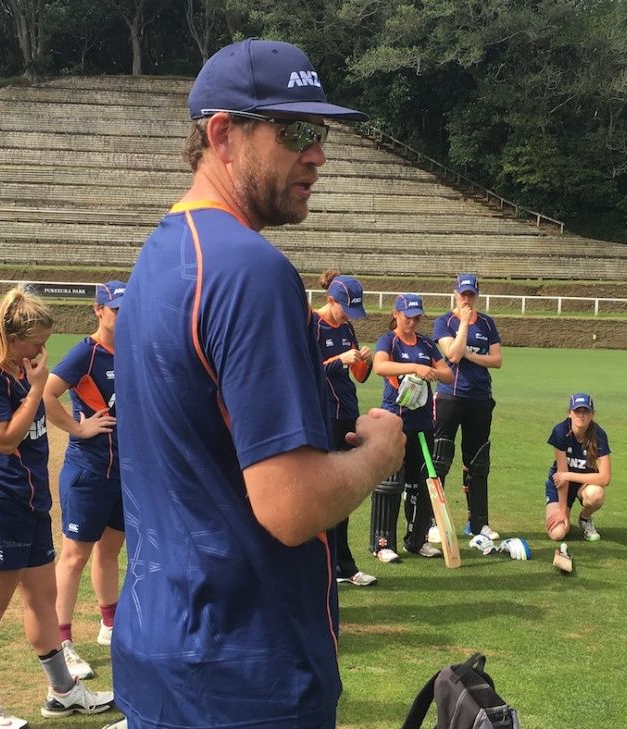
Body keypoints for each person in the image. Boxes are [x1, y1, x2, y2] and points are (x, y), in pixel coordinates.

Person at [111, 38, 405, 729]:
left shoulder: (158, 257)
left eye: (321, 132)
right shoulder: (251, 270)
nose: (318, 153)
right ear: (223, 135)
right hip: (245, 669)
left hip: (164, 651)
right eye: (296, 131)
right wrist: (378, 452)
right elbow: (290, 505)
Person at [0, 288, 114, 729]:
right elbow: (4, 439)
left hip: (28, 505)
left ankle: (63, 692)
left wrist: (36, 383)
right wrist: (39, 387)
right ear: (9, 335)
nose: (42, 351)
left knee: (42, 600)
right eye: (35, 343)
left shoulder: (21, 371)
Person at [43, 281, 124, 679]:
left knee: (110, 552)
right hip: (89, 471)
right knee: (74, 558)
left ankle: (111, 625)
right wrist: (79, 430)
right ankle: (63, 644)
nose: (122, 319)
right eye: (115, 311)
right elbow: (46, 394)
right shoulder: (85, 353)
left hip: (124, 472)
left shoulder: (131, 350)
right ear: (98, 310)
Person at [371, 293, 454, 563]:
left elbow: (447, 373)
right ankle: (382, 544)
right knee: (390, 484)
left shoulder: (426, 344)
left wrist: (430, 370)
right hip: (395, 422)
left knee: (422, 483)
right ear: (396, 314)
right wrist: (415, 367)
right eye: (408, 317)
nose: (412, 322)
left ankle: (416, 541)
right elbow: (380, 366)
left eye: (417, 317)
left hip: (422, 425)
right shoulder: (389, 340)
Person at [314, 269, 378, 587]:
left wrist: (362, 360)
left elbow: (360, 377)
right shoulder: (312, 323)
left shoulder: (347, 326)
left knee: (344, 490)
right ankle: (326, 565)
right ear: (331, 300)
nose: (347, 316)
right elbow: (304, 368)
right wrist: (339, 359)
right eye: (345, 308)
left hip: (347, 415)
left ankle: (343, 565)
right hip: (322, 415)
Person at [432, 273, 503, 541]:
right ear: (454, 293)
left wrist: (470, 355)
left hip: (480, 398)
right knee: (440, 459)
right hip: (451, 395)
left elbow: (496, 360)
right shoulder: (445, 322)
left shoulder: (487, 323)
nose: (466, 299)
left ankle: (478, 523)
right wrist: (462, 324)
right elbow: (451, 354)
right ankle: (434, 522)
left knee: (477, 463)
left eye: (471, 294)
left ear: (477, 295)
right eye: (463, 294)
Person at [543, 393, 612, 561]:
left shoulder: (599, 435)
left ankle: (585, 519)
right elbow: (560, 476)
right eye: (577, 411)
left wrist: (569, 475)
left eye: (586, 411)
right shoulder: (560, 431)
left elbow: (605, 478)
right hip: (560, 485)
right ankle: (565, 514)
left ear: (592, 414)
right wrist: (561, 511)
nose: (581, 415)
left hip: (584, 485)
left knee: (596, 494)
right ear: (570, 413)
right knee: (558, 534)